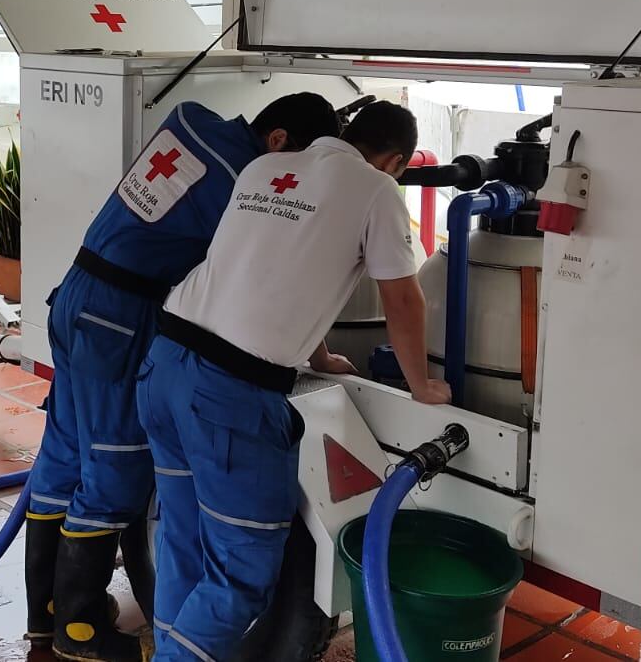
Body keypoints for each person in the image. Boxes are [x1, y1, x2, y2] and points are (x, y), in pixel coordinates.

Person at [26, 92, 343, 662]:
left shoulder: (194, 122)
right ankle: (79, 629)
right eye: (293, 157)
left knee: (65, 456)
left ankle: (42, 620)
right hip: (118, 317)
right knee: (116, 471)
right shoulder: (241, 179)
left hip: (77, 296)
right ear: (276, 141)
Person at [135, 100, 451, 662]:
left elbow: (269, 266)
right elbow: (402, 297)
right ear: (396, 160)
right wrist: (422, 387)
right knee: (241, 571)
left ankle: (170, 648)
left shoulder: (265, 168)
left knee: (184, 542)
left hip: (164, 364)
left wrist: (321, 353)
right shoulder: (377, 190)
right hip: (227, 393)